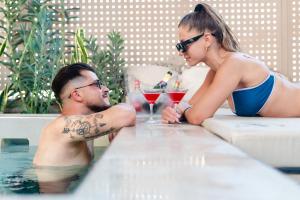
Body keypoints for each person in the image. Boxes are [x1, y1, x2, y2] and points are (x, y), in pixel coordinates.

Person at [162, 3, 300, 125]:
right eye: (178, 46)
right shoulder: (215, 72)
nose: (180, 52)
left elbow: (197, 116)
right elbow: (190, 106)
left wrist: (183, 109)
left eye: (184, 45)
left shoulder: (234, 64)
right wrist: (174, 113)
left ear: (207, 40)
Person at [33, 63, 136, 167]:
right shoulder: (63, 126)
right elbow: (127, 114)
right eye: (97, 85)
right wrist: (118, 120)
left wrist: (116, 125)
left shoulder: (81, 123)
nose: (106, 89)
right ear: (77, 95)